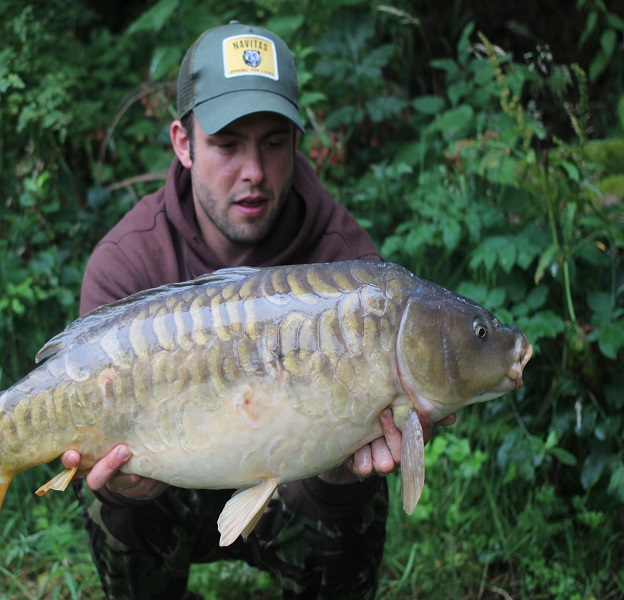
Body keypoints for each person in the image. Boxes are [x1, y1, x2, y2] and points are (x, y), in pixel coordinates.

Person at [61, 21, 454, 599]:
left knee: (358, 505)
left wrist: (343, 476)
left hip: (298, 487)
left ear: (296, 142)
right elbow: (103, 461)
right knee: (109, 505)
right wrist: (122, 489)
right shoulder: (126, 262)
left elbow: (371, 457)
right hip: (172, 482)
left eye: (274, 141)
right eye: (227, 143)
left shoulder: (347, 266)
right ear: (182, 143)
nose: (254, 171)